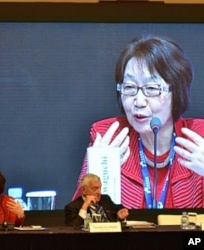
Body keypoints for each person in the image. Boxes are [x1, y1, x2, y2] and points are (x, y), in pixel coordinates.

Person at [72, 34, 204, 209]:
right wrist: (98, 174)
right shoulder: (109, 139)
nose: (139, 101)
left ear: (177, 92)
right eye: (129, 88)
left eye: (151, 88)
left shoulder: (200, 138)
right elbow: (78, 225)